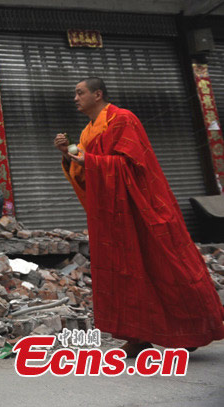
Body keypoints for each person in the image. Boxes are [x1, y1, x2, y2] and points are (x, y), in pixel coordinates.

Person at [55, 78, 224, 356]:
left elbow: (136, 166)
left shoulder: (122, 119)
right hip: (113, 217)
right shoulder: (87, 133)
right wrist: (68, 155)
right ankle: (137, 336)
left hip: (144, 209)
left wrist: (93, 161)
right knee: (124, 273)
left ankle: (191, 330)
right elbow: (86, 179)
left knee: (167, 267)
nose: (75, 98)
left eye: (79, 92)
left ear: (97, 94)